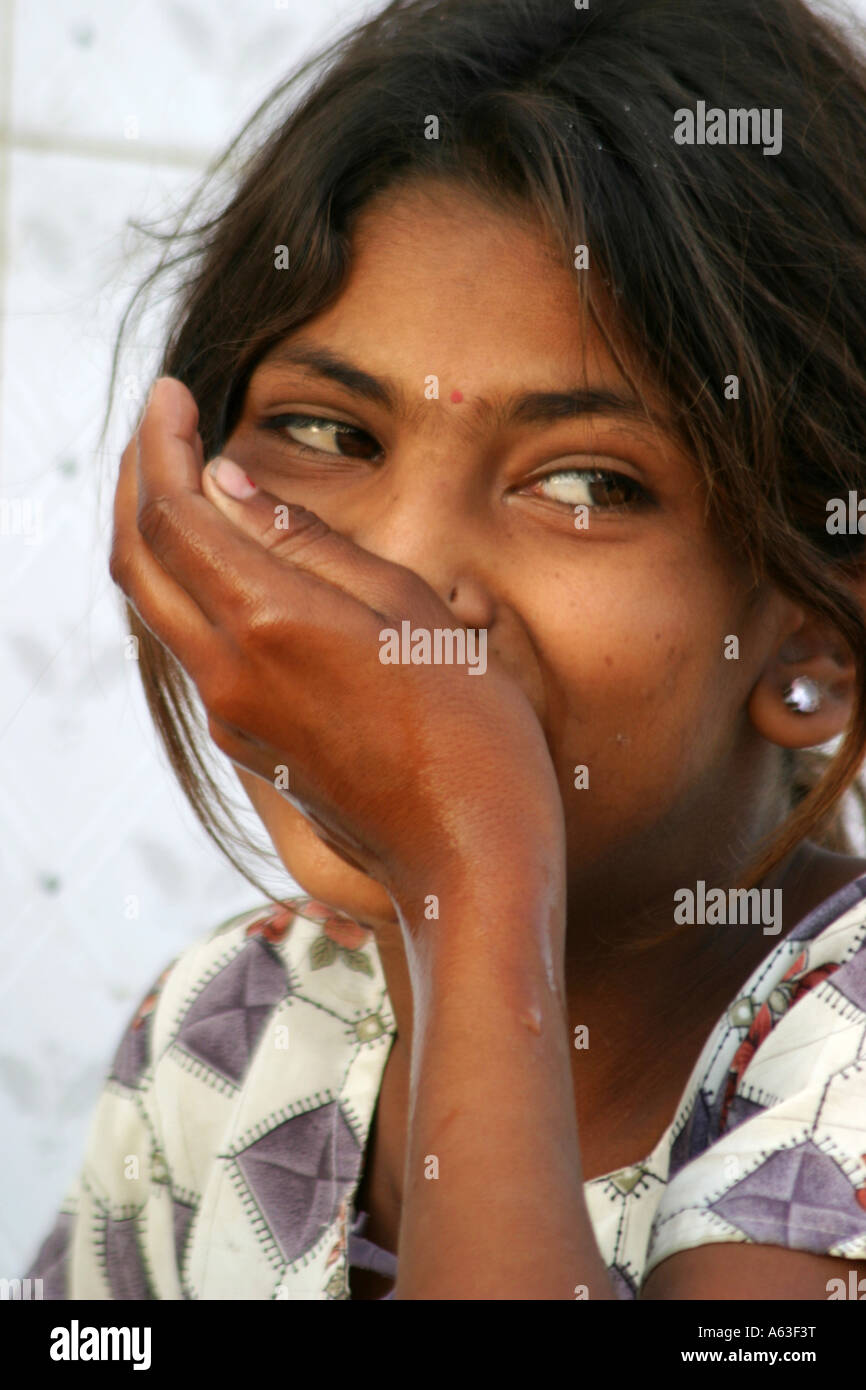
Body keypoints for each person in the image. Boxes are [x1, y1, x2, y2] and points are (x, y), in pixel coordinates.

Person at [24, 0, 866, 1299]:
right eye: (329, 433)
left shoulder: (838, 1081)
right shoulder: (232, 1025)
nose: (405, 581)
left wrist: (469, 874)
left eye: (584, 482)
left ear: (819, 635)